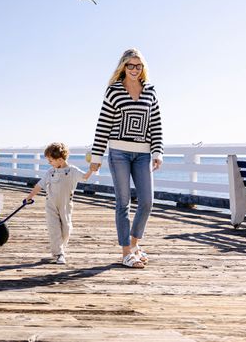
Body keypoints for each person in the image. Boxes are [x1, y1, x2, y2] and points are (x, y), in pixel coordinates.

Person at [88, 48, 163, 268]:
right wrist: (97, 156)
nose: (134, 69)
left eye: (138, 65)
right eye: (130, 65)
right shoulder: (113, 91)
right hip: (118, 152)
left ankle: (134, 244)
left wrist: (157, 152)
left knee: (147, 202)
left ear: (143, 68)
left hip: (143, 154)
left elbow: (156, 124)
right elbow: (103, 126)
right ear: (123, 66)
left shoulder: (150, 91)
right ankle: (125, 253)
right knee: (123, 202)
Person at [25, 142, 93, 264]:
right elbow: (39, 185)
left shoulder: (72, 171)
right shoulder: (51, 172)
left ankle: (60, 247)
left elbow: (85, 177)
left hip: (66, 206)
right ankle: (59, 253)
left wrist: (92, 169)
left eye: (51, 161)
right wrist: (29, 197)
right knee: (54, 229)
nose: (49, 163)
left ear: (60, 160)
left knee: (66, 229)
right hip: (51, 205)